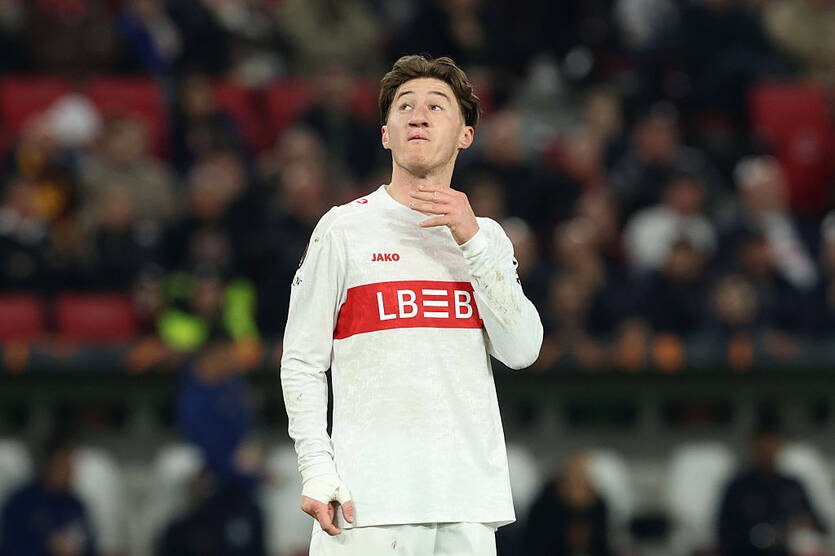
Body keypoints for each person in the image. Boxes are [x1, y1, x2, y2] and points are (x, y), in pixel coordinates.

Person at [280, 54, 543, 555]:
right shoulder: (343, 229)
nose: (418, 116)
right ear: (386, 134)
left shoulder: (486, 237)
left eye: (436, 106)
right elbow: (301, 362)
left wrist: (472, 242)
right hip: (365, 504)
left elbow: (523, 350)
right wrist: (316, 468)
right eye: (404, 106)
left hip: (467, 502)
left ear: (466, 135)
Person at [0, 432, 97, 556]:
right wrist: (48, 547)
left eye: (72, 463)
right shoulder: (22, 503)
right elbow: (10, 547)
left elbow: (90, 545)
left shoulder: (75, 505)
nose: (70, 469)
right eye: (64, 463)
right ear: (50, 463)